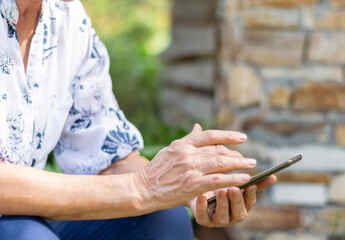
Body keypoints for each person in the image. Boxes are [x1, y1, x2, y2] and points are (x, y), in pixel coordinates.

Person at [0, 0, 277, 239]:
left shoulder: (68, 19)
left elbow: (108, 158)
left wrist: (189, 187)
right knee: (26, 235)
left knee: (163, 219)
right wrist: (143, 187)